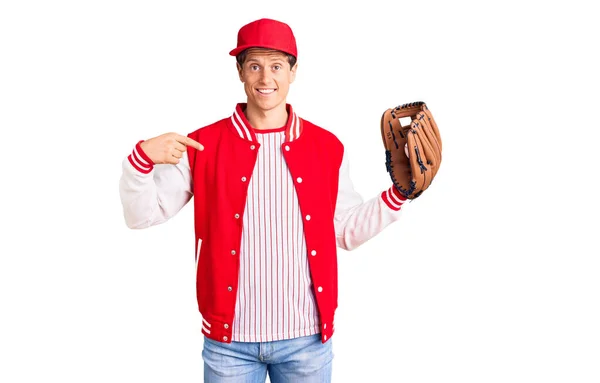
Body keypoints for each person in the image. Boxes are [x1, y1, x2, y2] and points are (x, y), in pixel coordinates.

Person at [119, 17, 408, 383]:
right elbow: (141, 216)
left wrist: (397, 196)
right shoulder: (202, 147)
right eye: (254, 65)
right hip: (229, 343)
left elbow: (345, 232)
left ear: (293, 72)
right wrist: (140, 160)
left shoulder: (327, 147)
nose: (265, 78)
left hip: (306, 339)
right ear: (239, 71)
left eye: (276, 66)